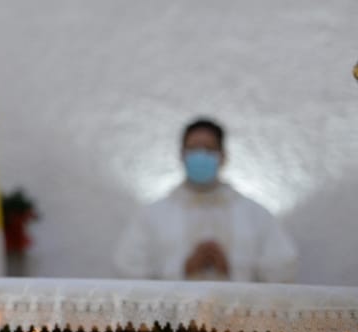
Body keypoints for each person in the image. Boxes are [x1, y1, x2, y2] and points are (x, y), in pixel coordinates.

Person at [112, 117, 298, 282]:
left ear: (223, 156)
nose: (201, 155)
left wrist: (232, 269)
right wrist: (183, 269)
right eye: (193, 148)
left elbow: (282, 271)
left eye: (209, 149)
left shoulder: (255, 215)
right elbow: (128, 272)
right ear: (182, 155)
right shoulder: (153, 216)